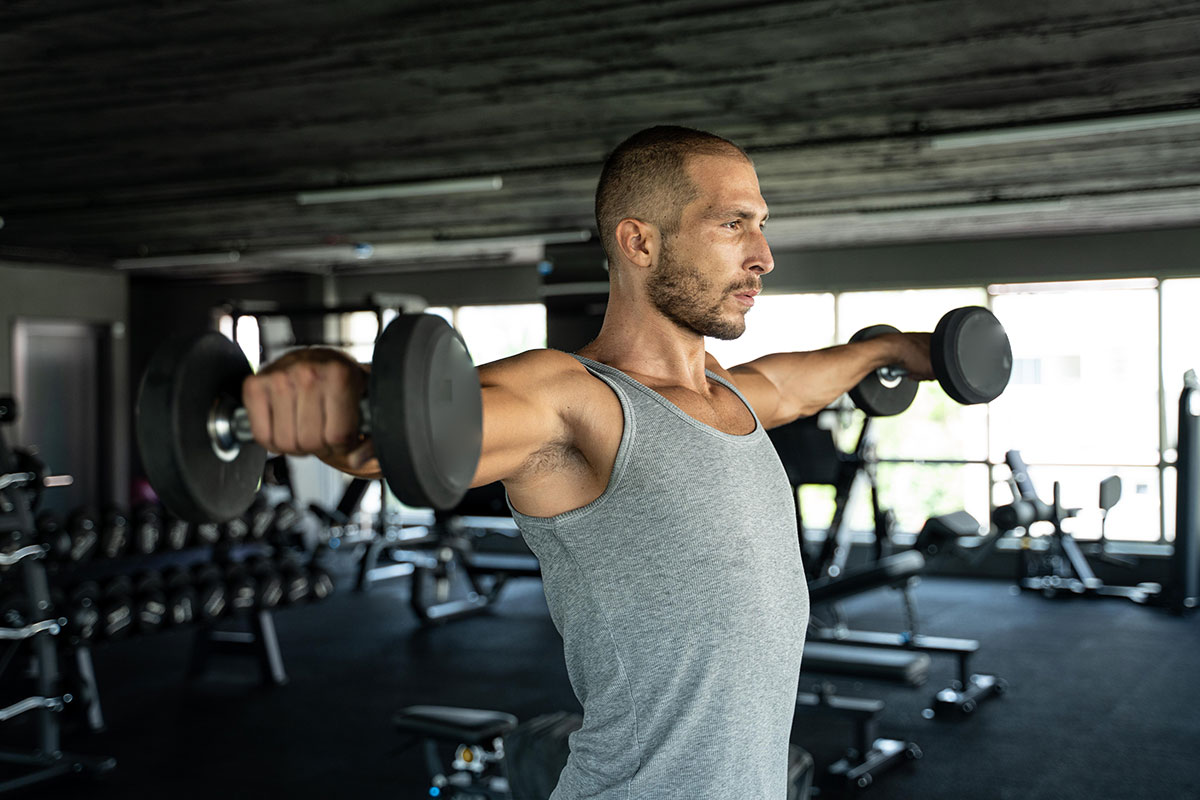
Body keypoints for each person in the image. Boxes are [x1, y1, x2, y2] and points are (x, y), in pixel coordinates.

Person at [242, 126, 934, 798]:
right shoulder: (573, 400)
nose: (763, 255)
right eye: (733, 225)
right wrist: (328, 386)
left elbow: (792, 384)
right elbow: (408, 430)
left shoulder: (726, 392)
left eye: (762, 224)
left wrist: (892, 352)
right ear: (638, 241)